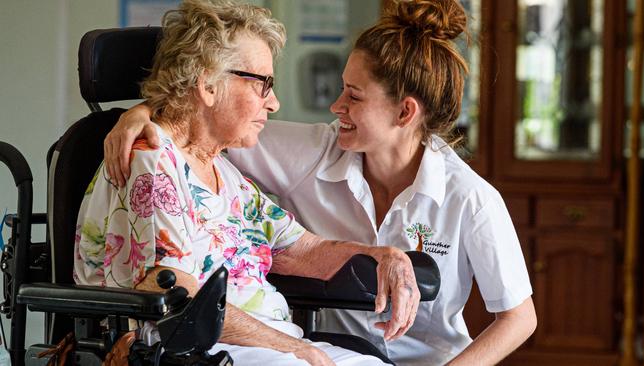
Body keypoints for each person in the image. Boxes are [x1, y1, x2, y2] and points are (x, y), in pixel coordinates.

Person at [103, 0, 537, 365]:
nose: (335, 105)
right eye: (342, 88)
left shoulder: (470, 198)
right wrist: (143, 115)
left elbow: (519, 317)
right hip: (298, 345)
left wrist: (383, 256)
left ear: (404, 113)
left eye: (354, 95)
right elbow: (204, 117)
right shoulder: (308, 152)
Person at [75, 1, 421, 365]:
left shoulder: (223, 170)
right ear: (208, 85)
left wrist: (385, 256)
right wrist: (298, 349)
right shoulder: (153, 159)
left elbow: (298, 249)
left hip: (260, 345)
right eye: (263, 85)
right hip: (193, 348)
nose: (274, 102)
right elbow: (178, 295)